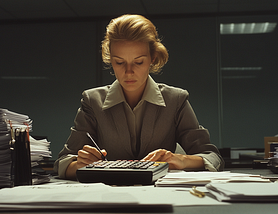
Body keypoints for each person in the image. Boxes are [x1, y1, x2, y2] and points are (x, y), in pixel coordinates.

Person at [54, 14, 224, 180]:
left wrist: (181, 159)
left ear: (152, 58)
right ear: (110, 60)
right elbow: (63, 162)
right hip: (110, 198)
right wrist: (80, 164)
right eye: (119, 62)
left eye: (139, 62)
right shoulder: (92, 101)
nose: (128, 72)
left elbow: (213, 157)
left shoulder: (176, 100)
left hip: (162, 197)